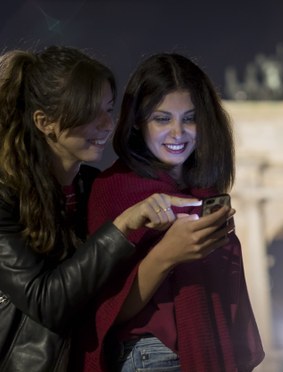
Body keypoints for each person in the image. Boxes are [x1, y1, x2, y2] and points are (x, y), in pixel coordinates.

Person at [0, 46, 232, 372]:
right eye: (90, 112)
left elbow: (103, 300)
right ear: (45, 122)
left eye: (109, 109)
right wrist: (123, 226)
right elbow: (46, 301)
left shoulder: (90, 187)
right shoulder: (5, 196)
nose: (108, 124)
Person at [81, 53, 265, 371]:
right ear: (138, 121)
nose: (178, 133)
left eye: (190, 118)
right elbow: (108, 310)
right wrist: (167, 254)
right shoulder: (113, 189)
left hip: (211, 354)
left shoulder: (206, 193)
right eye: (162, 119)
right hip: (152, 357)